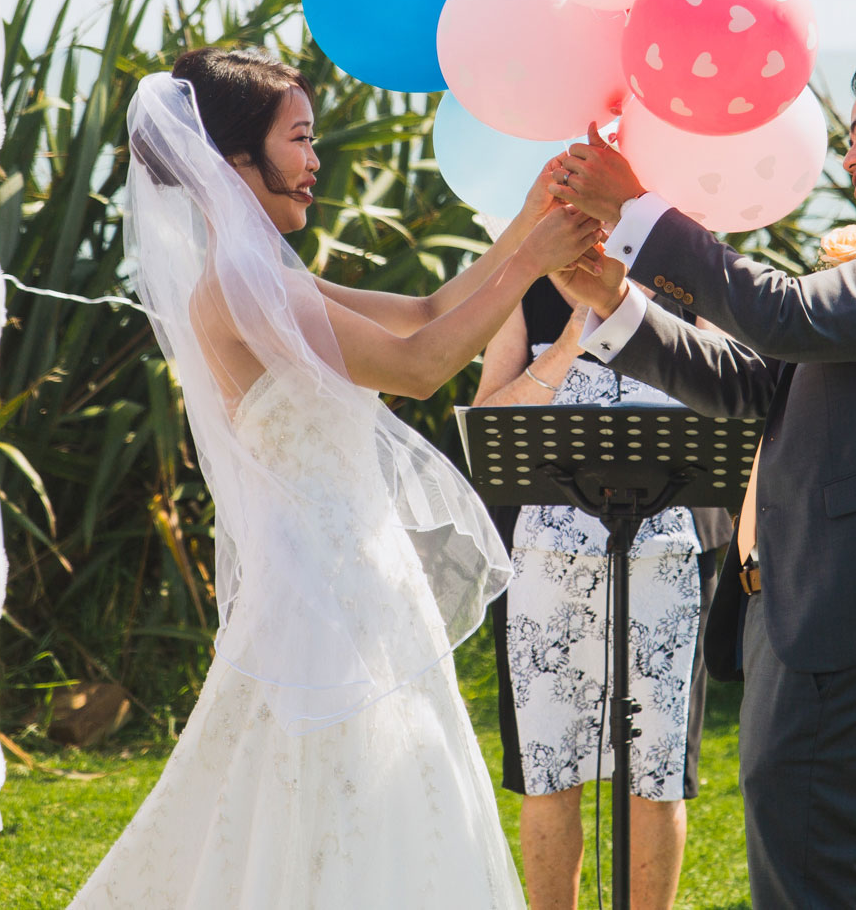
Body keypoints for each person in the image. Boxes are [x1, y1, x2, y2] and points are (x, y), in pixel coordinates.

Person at [69, 47, 601, 909]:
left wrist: (532, 219)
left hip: (361, 578)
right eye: (300, 138)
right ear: (236, 156)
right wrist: (537, 254)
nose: (315, 161)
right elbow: (421, 364)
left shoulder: (268, 274)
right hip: (321, 593)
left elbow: (429, 312)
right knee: (329, 802)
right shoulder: (240, 280)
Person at [550, 49, 856, 910]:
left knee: (815, 872)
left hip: (847, 607)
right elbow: (762, 380)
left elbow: (788, 315)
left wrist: (639, 208)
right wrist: (616, 308)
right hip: (811, 603)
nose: (846, 157)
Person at [474, 279, 733, 910]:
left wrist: (648, 317)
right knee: (548, 768)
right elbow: (488, 424)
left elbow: (734, 400)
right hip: (544, 559)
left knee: (658, 772)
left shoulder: (693, 277)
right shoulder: (528, 284)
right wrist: (570, 337)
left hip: (668, 552)